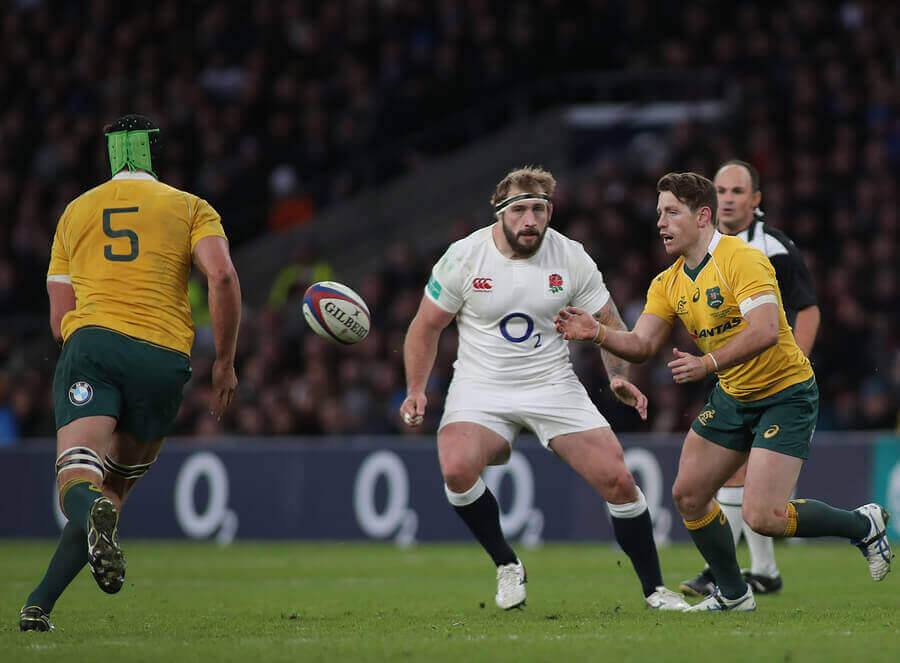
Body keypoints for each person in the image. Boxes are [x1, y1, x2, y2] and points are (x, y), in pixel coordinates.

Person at [555, 171, 892, 612]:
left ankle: (860, 524)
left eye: (672, 212)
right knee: (689, 495)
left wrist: (707, 363)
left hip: (785, 393)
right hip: (734, 396)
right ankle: (735, 594)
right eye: (659, 214)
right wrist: (597, 332)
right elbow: (641, 345)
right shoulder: (669, 281)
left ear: (703, 216)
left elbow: (767, 329)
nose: (661, 223)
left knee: (763, 517)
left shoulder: (743, 259)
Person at [399, 166, 688, 612]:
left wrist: (617, 377)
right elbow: (424, 327)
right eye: (520, 210)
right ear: (500, 213)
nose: (530, 220)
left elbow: (608, 322)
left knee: (618, 479)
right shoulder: (464, 256)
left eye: (539, 209)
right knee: (456, 469)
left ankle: (654, 590)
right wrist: (417, 389)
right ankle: (506, 563)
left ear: (550, 211)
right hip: (481, 386)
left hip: (551, 384)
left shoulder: (570, 256)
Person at [19, 115, 241, 632]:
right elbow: (223, 275)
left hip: (93, 346)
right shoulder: (191, 207)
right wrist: (225, 364)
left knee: (78, 478)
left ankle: (81, 521)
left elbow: (58, 321)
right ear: (156, 157)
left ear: (109, 157)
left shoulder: (75, 212)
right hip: (163, 358)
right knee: (113, 494)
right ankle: (38, 604)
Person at [680, 160, 821, 598]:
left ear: (755, 200)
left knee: (739, 477)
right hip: (730, 372)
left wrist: (795, 361)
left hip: (773, 378)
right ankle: (760, 570)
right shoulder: (707, 245)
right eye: (720, 190)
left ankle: (729, 568)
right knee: (731, 478)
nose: (727, 198)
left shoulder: (772, 248)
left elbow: (808, 308)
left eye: (737, 191)